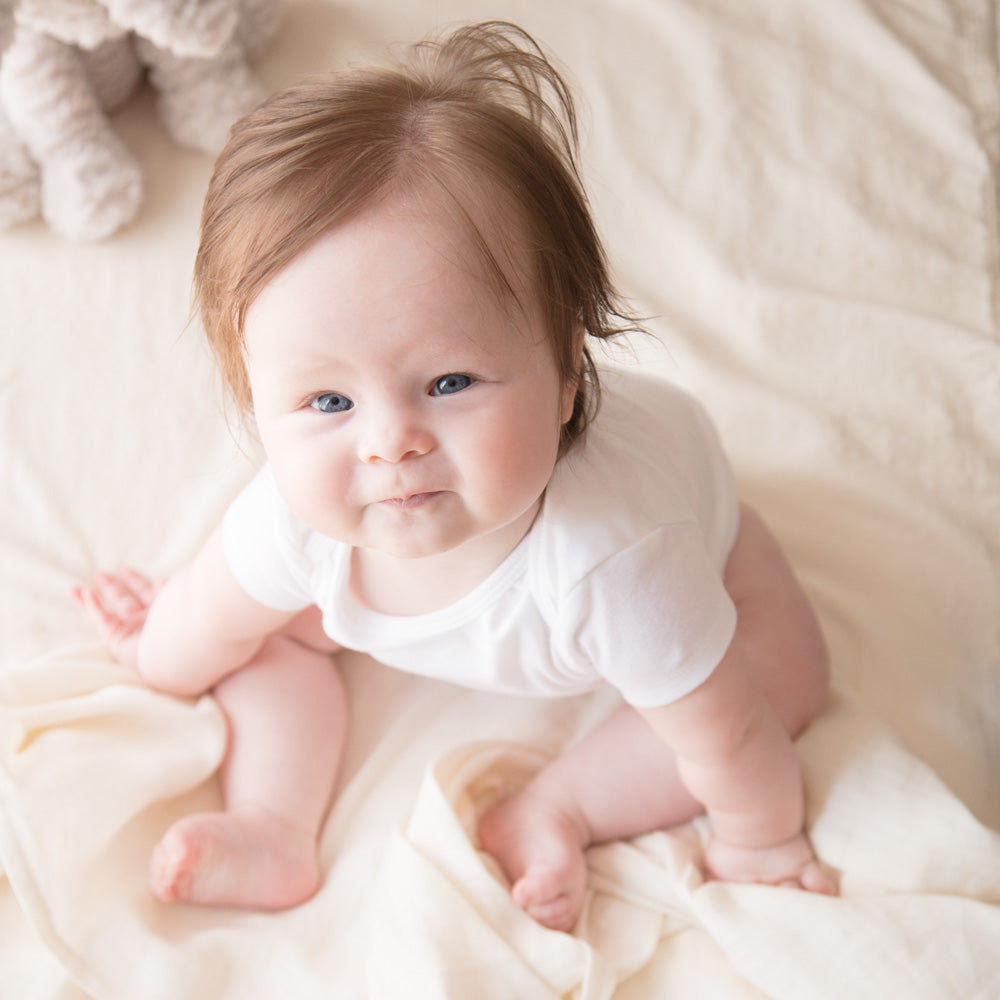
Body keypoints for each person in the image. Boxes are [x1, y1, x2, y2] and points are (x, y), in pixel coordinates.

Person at [74, 20, 836, 932]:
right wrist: (154, 651)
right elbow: (207, 617)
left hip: (703, 549)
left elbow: (731, 741)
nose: (389, 444)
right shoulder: (296, 521)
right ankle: (272, 824)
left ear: (565, 371)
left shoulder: (618, 562)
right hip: (461, 612)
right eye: (326, 402)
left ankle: (561, 805)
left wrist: (760, 841)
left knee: (782, 678)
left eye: (448, 382)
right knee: (257, 646)